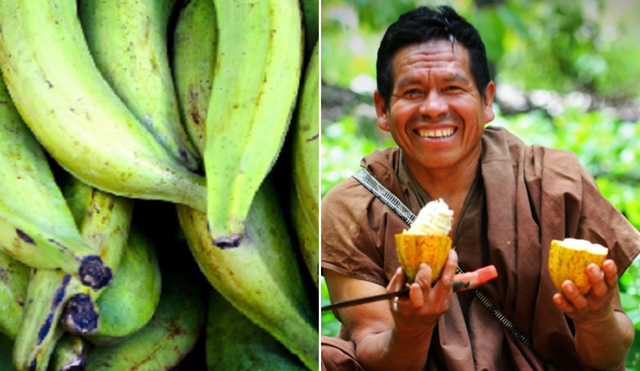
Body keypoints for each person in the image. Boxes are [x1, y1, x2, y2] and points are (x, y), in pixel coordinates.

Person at [321, 5, 640, 371]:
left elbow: (610, 357)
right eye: (412, 92)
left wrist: (595, 318)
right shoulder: (352, 207)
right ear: (382, 108)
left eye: (453, 88)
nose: (434, 108)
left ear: (487, 100)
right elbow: (375, 353)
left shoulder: (556, 184)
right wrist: (412, 328)